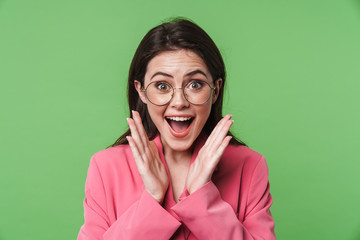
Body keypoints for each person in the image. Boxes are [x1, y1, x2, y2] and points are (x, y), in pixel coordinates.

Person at [77, 18, 276, 240]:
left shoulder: (249, 166)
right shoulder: (106, 168)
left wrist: (202, 197)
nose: (179, 101)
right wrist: (152, 199)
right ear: (141, 91)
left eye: (195, 84)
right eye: (162, 86)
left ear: (215, 90)